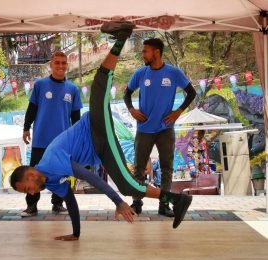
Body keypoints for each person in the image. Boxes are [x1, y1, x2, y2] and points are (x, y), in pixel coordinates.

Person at [10, 21, 192, 241]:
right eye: (26, 193)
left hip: (95, 128)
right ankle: (176, 199)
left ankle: (121, 39)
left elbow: (90, 177)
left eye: (26, 188)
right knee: (127, 185)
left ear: (30, 174)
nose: (30, 192)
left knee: (98, 88)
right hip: (101, 148)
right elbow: (70, 200)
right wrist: (75, 234)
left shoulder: (51, 162)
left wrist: (118, 203)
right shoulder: (49, 181)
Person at [123, 38, 196, 217]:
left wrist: (178, 111)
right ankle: (136, 203)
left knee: (166, 168)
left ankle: (165, 205)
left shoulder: (173, 72)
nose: (143, 55)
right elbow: (127, 93)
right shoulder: (140, 73)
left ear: (156, 52)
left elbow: (191, 92)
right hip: (144, 129)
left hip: (165, 128)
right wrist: (132, 110)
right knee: (139, 168)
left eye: (145, 51)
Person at [21, 50, 83, 217]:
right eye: (57, 62)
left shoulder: (72, 89)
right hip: (40, 139)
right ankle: (31, 206)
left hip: (62, 142)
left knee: (61, 174)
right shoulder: (40, 85)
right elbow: (31, 109)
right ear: (51, 65)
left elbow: (76, 118)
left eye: (63, 63)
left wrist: (77, 140)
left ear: (67, 65)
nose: (60, 66)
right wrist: (26, 128)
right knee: (34, 173)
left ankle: (57, 204)